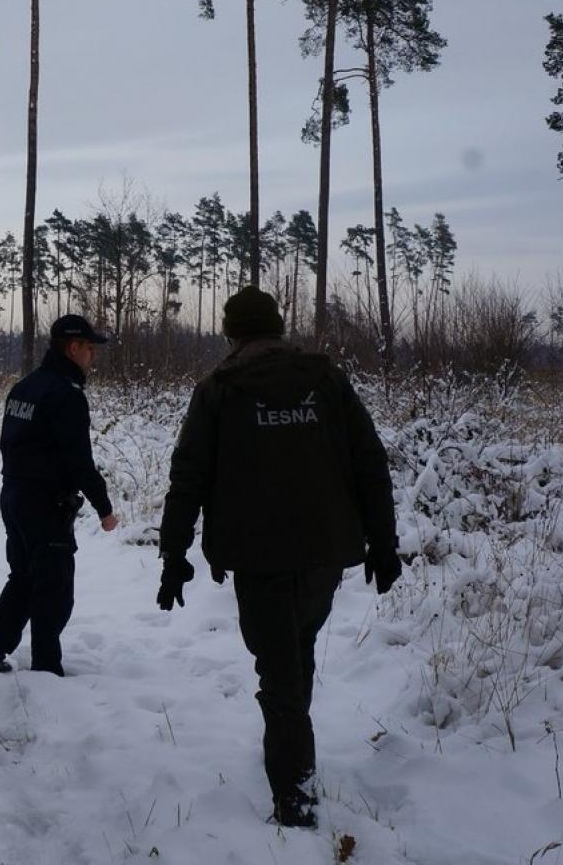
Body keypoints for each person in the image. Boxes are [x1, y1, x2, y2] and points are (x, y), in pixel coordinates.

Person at [157, 286, 402, 828]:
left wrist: (173, 554)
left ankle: (295, 795)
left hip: (259, 557)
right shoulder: (327, 379)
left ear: (231, 332)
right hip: (324, 554)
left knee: (280, 674)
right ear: (277, 327)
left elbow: (188, 476)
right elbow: (371, 464)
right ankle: (292, 756)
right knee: (297, 650)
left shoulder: (218, 388)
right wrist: (383, 544)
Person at [0, 314, 120, 678]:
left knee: (24, 578)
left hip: (14, 496)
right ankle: (46, 671)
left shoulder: (25, 387)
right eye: (89, 348)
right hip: (44, 504)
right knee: (53, 590)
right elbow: (78, 460)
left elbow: (9, 443)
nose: (93, 356)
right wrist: (104, 507)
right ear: (72, 348)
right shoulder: (65, 396)